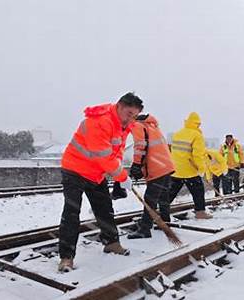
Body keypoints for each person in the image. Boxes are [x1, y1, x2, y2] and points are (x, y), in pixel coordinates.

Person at [58, 92, 144, 272]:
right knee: (72, 211)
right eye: (129, 114)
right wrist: (122, 177)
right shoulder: (100, 121)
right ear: (119, 106)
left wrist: (119, 173)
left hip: (95, 173)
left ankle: (111, 243)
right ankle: (66, 257)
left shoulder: (123, 125)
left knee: (104, 208)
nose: (131, 119)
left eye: (135, 116)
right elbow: (103, 156)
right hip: (75, 169)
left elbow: (116, 153)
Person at [127, 114, 175, 239]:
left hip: (156, 166)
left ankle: (145, 228)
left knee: (150, 198)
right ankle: (164, 221)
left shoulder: (137, 125)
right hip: (165, 165)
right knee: (163, 196)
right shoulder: (152, 126)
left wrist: (136, 164)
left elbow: (140, 146)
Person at [168, 112, 212, 219]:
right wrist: (201, 168)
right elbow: (197, 155)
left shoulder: (177, 133)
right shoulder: (197, 135)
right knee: (198, 191)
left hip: (176, 169)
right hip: (190, 170)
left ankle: (160, 210)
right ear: (197, 124)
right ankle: (200, 212)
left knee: (170, 192)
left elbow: (172, 151)